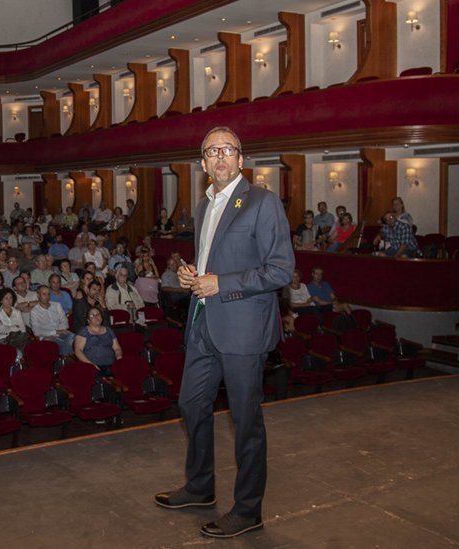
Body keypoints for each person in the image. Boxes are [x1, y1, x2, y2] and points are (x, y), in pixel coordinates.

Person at [155, 126, 293, 539]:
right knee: (191, 404)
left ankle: (249, 509)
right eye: (211, 151)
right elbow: (211, 261)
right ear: (202, 163)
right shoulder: (203, 205)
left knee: (246, 422)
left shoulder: (263, 203)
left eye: (227, 150)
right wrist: (192, 275)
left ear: (241, 158)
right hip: (202, 322)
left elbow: (281, 270)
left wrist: (221, 283)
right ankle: (199, 486)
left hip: (243, 328)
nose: (219, 157)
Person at [73, 306, 121, 376]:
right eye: (92, 315)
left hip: (111, 365)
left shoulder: (109, 330)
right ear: (88, 320)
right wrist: (90, 364)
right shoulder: (83, 331)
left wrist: (119, 356)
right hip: (92, 366)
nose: (96, 316)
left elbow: (117, 348)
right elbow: (78, 351)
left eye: (98, 314)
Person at [30, 285, 73, 356]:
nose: (47, 297)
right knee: (62, 343)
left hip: (60, 333)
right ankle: (67, 358)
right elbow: (36, 331)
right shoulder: (34, 311)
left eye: (48, 294)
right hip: (47, 336)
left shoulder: (57, 305)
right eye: (44, 294)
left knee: (74, 337)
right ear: (38, 295)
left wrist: (58, 332)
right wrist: (55, 332)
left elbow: (65, 322)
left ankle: (65, 358)